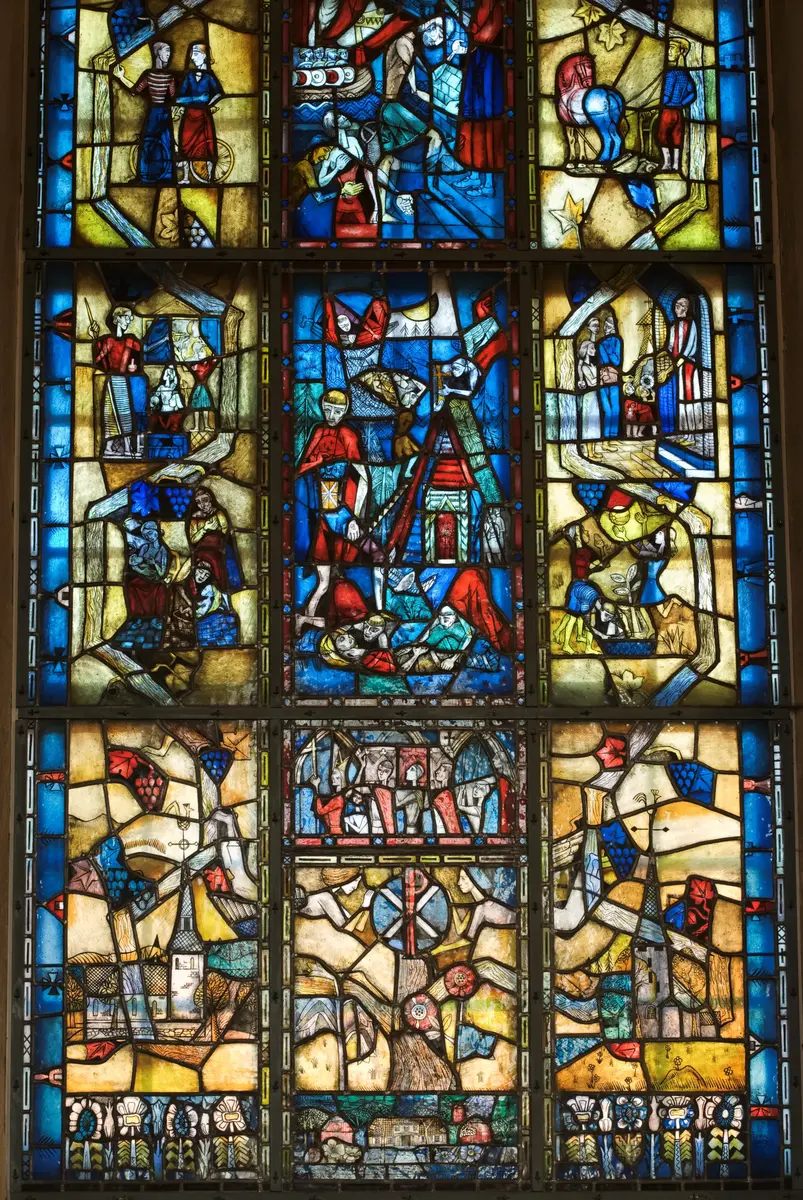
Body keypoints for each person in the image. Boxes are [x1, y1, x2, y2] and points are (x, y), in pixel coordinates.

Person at [296, 389, 382, 622]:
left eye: (337, 411)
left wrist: (355, 517)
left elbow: (363, 477)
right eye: (327, 409)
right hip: (320, 514)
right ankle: (307, 619)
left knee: (373, 555)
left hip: (341, 512)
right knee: (323, 580)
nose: (331, 415)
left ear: (345, 412)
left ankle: (376, 612)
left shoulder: (348, 435)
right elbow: (302, 470)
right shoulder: (318, 431)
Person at [455, 0, 505, 197]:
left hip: (488, 71)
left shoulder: (493, 5)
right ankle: (474, 174)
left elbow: (488, 33)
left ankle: (488, 184)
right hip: (476, 65)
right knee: (472, 123)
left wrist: (469, 43)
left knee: (487, 125)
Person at [114, 42, 176, 183]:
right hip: (157, 113)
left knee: (160, 142)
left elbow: (174, 97)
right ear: (157, 53)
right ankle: (146, 176)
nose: (169, 54)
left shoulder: (169, 76)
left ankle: (162, 176)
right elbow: (135, 91)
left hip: (161, 113)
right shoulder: (150, 75)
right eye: (166, 50)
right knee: (149, 143)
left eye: (169, 51)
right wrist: (121, 77)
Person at [92, 304, 147, 457]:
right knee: (110, 415)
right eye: (126, 317)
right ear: (116, 319)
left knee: (126, 415)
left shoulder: (131, 341)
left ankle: (128, 449)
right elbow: (98, 360)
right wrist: (94, 338)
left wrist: (134, 368)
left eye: (130, 318)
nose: (129, 321)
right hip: (112, 381)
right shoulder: (109, 341)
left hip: (124, 382)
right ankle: (109, 448)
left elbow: (140, 358)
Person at [175, 44, 223, 185]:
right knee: (185, 146)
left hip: (203, 116)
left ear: (205, 55)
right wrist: (197, 98)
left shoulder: (209, 77)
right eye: (192, 53)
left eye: (195, 53)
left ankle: (209, 178)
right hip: (189, 116)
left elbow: (219, 93)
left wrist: (209, 103)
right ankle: (185, 178)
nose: (192, 57)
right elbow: (178, 99)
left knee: (208, 147)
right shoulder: (189, 76)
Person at [658, 295, 700, 435]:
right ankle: (684, 432)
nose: (675, 309)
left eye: (678, 306)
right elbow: (670, 346)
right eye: (675, 306)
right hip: (677, 365)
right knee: (681, 398)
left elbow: (689, 346)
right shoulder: (673, 327)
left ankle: (693, 432)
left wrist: (680, 361)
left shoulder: (691, 325)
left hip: (688, 364)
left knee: (690, 397)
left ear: (685, 308)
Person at [187, 488, 241, 594]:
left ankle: (229, 590)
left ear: (211, 499)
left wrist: (215, 532)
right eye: (198, 502)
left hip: (220, 547)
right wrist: (206, 528)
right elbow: (193, 539)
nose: (202, 505)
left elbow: (225, 531)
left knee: (229, 565)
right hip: (202, 550)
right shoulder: (194, 518)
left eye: (205, 500)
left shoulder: (219, 513)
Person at [657, 38, 696, 173]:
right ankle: (676, 164)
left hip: (668, 111)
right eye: (668, 47)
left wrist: (657, 104)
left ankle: (667, 163)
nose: (669, 51)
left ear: (680, 52)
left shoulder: (670, 74)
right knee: (677, 137)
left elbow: (666, 95)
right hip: (679, 112)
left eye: (672, 48)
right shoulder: (684, 74)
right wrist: (681, 103)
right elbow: (691, 93)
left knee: (662, 136)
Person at [598, 309, 622, 439]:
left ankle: (613, 435)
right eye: (605, 325)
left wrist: (609, 351)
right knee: (607, 410)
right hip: (602, 379)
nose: (606, 328)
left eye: (609, 326)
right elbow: (604, 361)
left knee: (616, 409)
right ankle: (606, 436)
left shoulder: (617, 341)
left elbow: (616, 361)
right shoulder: (600, 343)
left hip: (614, 379)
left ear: (614, 327)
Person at [149, 364, 184, 432]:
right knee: (161, 426)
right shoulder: (161, 387)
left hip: (172, 410)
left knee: (171, 426)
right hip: (163, 409)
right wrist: (153, 401)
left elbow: (180, 406)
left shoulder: (173, 387)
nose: (169, 374)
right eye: (168, 371)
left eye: (171, 371)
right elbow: (156, 396)